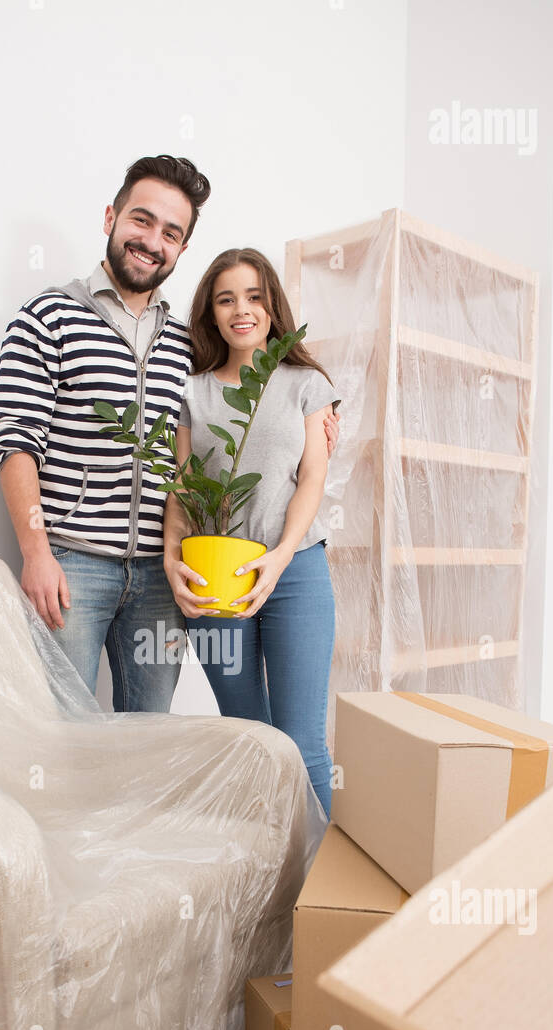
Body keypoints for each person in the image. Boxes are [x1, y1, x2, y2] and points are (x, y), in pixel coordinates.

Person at [0, 154, 339, 713]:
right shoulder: (46, 316)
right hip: (73, 565)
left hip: (163, 575)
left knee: (151, 739)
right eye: (141, 221)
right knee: (65, 733)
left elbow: (230, 414)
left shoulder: (189, 345)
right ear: (111, 218)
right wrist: (36, 552)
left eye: (170, 233)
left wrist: (312, 424)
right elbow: (14, 440)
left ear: (181, 249)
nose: (152, 241)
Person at [163, 248, 340, 817]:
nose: (242, 309)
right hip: (218, 581)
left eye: (255, 296)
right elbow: (183, 489)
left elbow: (312, 476)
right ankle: (267, 886)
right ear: (211, 314)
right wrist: (172, 559)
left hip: (298, 572)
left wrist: (283, 555)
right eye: (226, 298)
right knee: (251, 740)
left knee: (302, 742)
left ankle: (319, 899)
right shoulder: (192, 393)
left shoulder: (307, 385)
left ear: (272, 307)